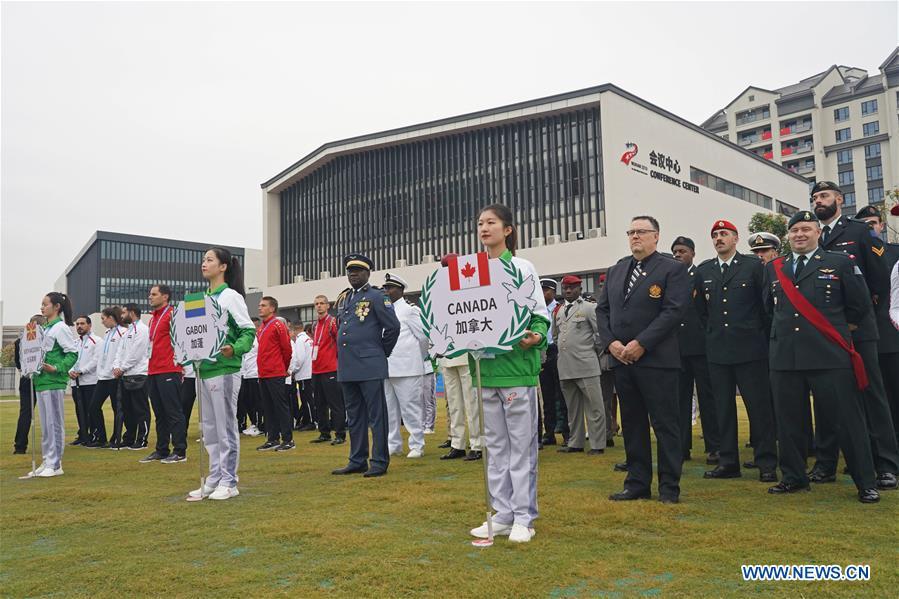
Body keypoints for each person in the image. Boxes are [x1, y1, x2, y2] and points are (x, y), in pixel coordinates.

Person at [764, 210, 880, 503]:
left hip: (828, 354)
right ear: (788, 236)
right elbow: (768, 308)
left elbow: (860, 305)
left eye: (805, 229)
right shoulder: (774, 268)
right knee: (789, 422)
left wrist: (838, 331)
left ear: (818, 232)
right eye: (794, 231)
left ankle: (865, 481)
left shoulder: (839, 263)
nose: (799, 235)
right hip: (786, 357)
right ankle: (793, 477)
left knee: (847, 421)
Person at [467, 204, 549, 544]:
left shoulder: (521, 267)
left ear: (508, 229)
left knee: (521, 448)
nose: (485, 228)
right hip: (485, 371)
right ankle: (500, 514)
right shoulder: (469, 271)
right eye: (481, 223)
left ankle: (523, 517)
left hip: (516, 369)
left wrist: (537, 336)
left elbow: (539, 315)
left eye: (492, 222)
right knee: (495, 447)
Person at [811, 182, 898, 490]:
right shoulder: (812, 236)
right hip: (825, 334)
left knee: (872, 395)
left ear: (840, 199)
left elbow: (878, 282)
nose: (819, 201)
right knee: (828, 399)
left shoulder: (861, 232)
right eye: (815, 198)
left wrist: (858, 320)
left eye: (824, 196)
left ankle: (886, 464)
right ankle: (826, 464)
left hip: (858, 331)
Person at [597, 215, 689, 503]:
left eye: (641, 231)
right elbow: (602, 311)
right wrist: (611, 343)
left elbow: (673, 312)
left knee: (665, 426)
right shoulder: (616, 269)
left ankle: (669, 487)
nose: (635, 236)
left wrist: (642, 343)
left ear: (656, 236)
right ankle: (637, 483)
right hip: (622, 361)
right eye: (631, 231)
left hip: (657, 361)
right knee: (633, 424)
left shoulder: (672, 269)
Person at [694, 220, 778, 483]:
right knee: (723, 409)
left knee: (759, 408)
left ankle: (766, 462)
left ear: (735, 238)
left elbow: (765, 307)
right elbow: (700, 310)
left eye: (724, 234)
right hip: (718, 350)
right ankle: (728, 461)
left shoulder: (753, 266)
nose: (719, 238)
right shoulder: (704, 269)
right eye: (715, 235)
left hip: (751, 349)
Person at [186, 247, 255, 501]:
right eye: (203, 259)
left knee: (225, 426)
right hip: (203, 371)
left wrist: (233, 349)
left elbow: (248, 332)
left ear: (223, 266)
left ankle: (229, 480)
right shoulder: (198, 299)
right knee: (209, 428)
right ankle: (214, 478)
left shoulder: (230, 297)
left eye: (210, 259)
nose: (204, 263)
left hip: (225, 369)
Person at [331, 254, 401, 478]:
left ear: (368, 273)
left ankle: (379, 461)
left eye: (358, 271)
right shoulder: (345, 298)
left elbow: (392, 328)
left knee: (376, 415)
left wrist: (380, 353)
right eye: (350, 271)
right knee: (355, 416)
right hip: (348, 365)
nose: (353, 274)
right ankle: (357, 459)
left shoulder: (378, 296)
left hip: (370, 365)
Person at [671, 236, 720, 464]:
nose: (678, 255)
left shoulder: (700, 275)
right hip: (678, 348)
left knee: (707, 398)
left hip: (700, 347)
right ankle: (681, 447)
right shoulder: (670, 278)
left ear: (692, 253)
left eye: (682, 251)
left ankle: (714, 447)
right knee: (679, 400)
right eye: (675, 252)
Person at [21, 292, 78, 478]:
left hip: (53, 381)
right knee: (45, 425)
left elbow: (72, 353)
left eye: (45, 304)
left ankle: (55, 464)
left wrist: (57, 368)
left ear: (56, 307)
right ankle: (47, 460)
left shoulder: (60, 328)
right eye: (41, 304)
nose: (42, 307)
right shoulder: (45, 328)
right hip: (41, 381)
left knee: (54, 423)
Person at [855, 204, 899, 445]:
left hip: (891, 336)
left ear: (881, 226)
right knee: (869, 398)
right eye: (865, 225)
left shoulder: (895, 253)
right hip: (862, 337)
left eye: (873, 224)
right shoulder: (850, 258)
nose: (869, 229)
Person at [554, 274, 607, 454]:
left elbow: (600, 335)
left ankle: (597, 444)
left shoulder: (589, 308)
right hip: (566, 366)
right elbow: (556, 336)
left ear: (580, 289)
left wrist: (592, 354)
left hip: (586, 365)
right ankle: (575, 443)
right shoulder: (559, 310)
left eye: (572, 288)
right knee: (573, 408)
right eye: (565, 288)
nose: (568, 291)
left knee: (595, 407)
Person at [382, 272, 428, 459]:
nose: (387, 291)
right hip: (387, 367)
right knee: (390, 411)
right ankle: (394, 444)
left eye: (391, 288)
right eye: (385, 288)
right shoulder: (384, 309)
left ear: (400, 290)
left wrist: (419, 358)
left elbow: (423, 336)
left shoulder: (410, 310)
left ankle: (417, 444)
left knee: (411, 409)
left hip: (408, 367)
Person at [141, 284, 188, 464]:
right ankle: (161, 450)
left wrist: (180, 361)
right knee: (159, 413)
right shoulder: (152, 319)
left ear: (165, 297)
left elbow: (183, 339)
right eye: (150, 294)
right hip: (153, 370)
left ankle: (180, 451)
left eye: (154, 294)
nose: (150, 297)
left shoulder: (174, 314)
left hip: (170, 369)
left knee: (173, 412)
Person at [255, 296, 295, 452]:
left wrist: (282, 368)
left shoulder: (278, 324)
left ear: (272, 308)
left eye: (263, 305)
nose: (260, 308)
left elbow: (287, 349)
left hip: (275, 373)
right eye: (259, 305)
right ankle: (272, 438)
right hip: (263, 373)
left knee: (280, 406)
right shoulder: (262, 327)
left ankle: (288, 439)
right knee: (268, 408)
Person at [85, 307, 127, 448]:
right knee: (93, 406)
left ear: (110, 317)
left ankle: (116, 438)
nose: (102, 322)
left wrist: (119, 368)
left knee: (117, 408)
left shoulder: (123, 332)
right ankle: (101, 437)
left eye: (103, 318)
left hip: (115, 377)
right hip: (103, 378)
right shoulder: (107, 333)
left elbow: (122, 353)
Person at [112, 304, 151, 451]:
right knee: (127, 409)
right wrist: (116, 366)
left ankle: (142, 439)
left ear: (132, 313)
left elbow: (137, 353)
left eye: (123, 313)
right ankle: (129, 438)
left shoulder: (142, 329)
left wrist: (122, 368)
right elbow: (119, 352)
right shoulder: (128, 330)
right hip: (125, 375)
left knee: (140, 409)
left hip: (139, 374)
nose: (121, 316)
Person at [310, 295, 346, 445]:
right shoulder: (315, 325)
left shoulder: (332, 322)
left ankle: (340, 434)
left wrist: (338, 362)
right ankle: (324, 433)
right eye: (316, 303)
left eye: (322, 303)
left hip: (330, 369)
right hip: (316, 369)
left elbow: (340, 343)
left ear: (328, 306)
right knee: (319, 404)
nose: (319, 306)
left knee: (335, 404)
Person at [539, 278, 567, 446]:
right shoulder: (538, 310)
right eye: (541, 290)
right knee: (546, 395)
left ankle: (566, 432)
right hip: (543, 351)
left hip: (557, 351)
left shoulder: (560, 308)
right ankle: (549, 433)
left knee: (562, 393)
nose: (543, 293)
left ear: (554, 291)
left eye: (547, 290)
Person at [438, 353, 482, 460]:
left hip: (466, 356)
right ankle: (457, 445)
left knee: (472, 405)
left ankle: (477, 445)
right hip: (446, 357)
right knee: (454, 405)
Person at [13, 315, 46, 454]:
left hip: (26, 377)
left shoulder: (19, 341)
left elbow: (18, 363)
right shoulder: (44, 339)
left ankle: (20, 446)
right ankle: (50, 443)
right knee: (47, 412)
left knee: (25, 412)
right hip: (42, 377)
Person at [68, 315, 101, 446]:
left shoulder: (97, 341)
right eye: (77, 324)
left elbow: (96, 360)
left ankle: (94, 435)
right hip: (76, 382)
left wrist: (82, 371)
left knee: (91, 409)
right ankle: (83, 435)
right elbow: (70, 358)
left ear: (89, 325)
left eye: (82, 324)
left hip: (90, 382)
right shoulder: (75, 343)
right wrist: (70, 370)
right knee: (79, 409)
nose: (79, 326)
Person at [237, 317, 263, 436]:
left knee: (257, 401)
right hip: (245, 374)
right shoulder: (246, 339)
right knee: (246, 401)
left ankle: (259, 425)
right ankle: (253, 423)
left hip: (255, 374)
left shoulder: (259, 339)